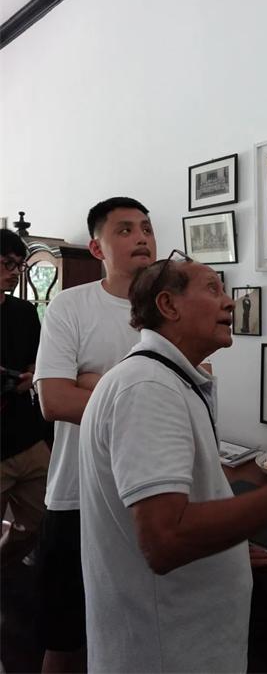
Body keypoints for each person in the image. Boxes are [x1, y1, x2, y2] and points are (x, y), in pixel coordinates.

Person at [79, 257, 267, 674]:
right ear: (169, 305)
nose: (230, 302)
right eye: (212, 289)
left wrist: (229, 544)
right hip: (165, 652)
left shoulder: (166, 379)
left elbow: (183, 508)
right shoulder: (148, 387)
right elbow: (165, 539)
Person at [34, 197, 157, 674]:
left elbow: (196, 387)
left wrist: (92, 381)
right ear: (97, 248)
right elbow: (54, 401)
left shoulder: (167, 308)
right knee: (64, 638)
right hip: (78, 496)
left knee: (137, 633)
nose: (141, 237)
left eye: (146, 228)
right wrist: (141, 397)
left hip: (150, 494)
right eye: (124, 230)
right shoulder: (71, 305)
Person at [0, 229, 50, 570]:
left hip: (28, 437)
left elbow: (40, 359)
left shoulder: (24, 311)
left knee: (43, 521)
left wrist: (33, 375)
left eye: (20, 264)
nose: (15, 271)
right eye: (7, 263)